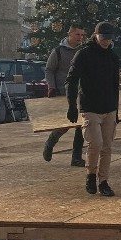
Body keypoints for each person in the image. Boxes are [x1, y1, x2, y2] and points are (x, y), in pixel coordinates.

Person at [65, 21, 120, 196]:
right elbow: (72, 80)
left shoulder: (112, 56)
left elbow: (114, 85)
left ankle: (103, 181)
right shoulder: (84, 54)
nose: (106, 42)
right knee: (95, 143)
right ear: (95, 35)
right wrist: (72, 105)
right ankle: (90, 175)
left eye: (109, 39)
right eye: (103, 38)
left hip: (109, 107)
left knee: (107, 146)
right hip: (90, 107)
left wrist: (116, 111)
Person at [43, 24, 87, 166]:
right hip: (63, 93)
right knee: (64, 125)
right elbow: (49, 70)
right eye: (77, 35)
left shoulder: (84, 51)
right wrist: (51, 87)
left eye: (82, 35)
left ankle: (76, 158)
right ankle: (50, 144)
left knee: (81, 127)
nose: (80, 37)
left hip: (81, 93)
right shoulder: (58, 52)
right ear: (70, 35)